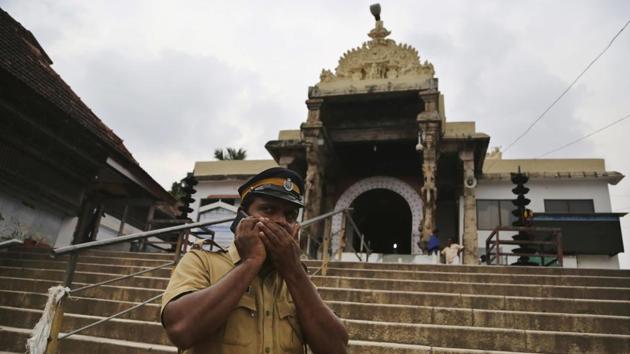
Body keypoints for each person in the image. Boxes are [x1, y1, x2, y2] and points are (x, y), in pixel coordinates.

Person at [160, 167, 348, 354]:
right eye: (268, 209)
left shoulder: (297, 280)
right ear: (242, 217)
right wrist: (250, 261)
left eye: (290, 215)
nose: (282, 221)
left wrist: (293, 270)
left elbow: (337, 349)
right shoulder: (202, 260)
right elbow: (180, 330)